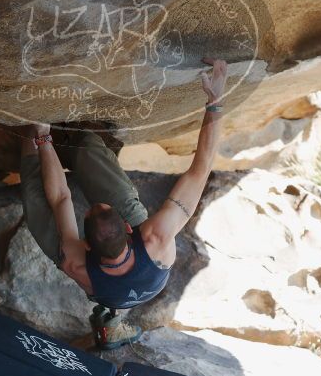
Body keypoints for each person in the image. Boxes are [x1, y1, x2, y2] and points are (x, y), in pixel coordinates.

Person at [20, 57, 227, 349]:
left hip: (106, 289)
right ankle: (74, 141)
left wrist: (41, 137)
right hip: (144, 270)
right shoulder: (156, 238)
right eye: (103, 207)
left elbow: (60, 199)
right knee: (86, 154)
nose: (98, 203)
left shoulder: (78, 264)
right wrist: (216, 101)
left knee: (34, 193)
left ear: (86, 245)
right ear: (130, 228)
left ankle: (33, 134)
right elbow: (200, 169)